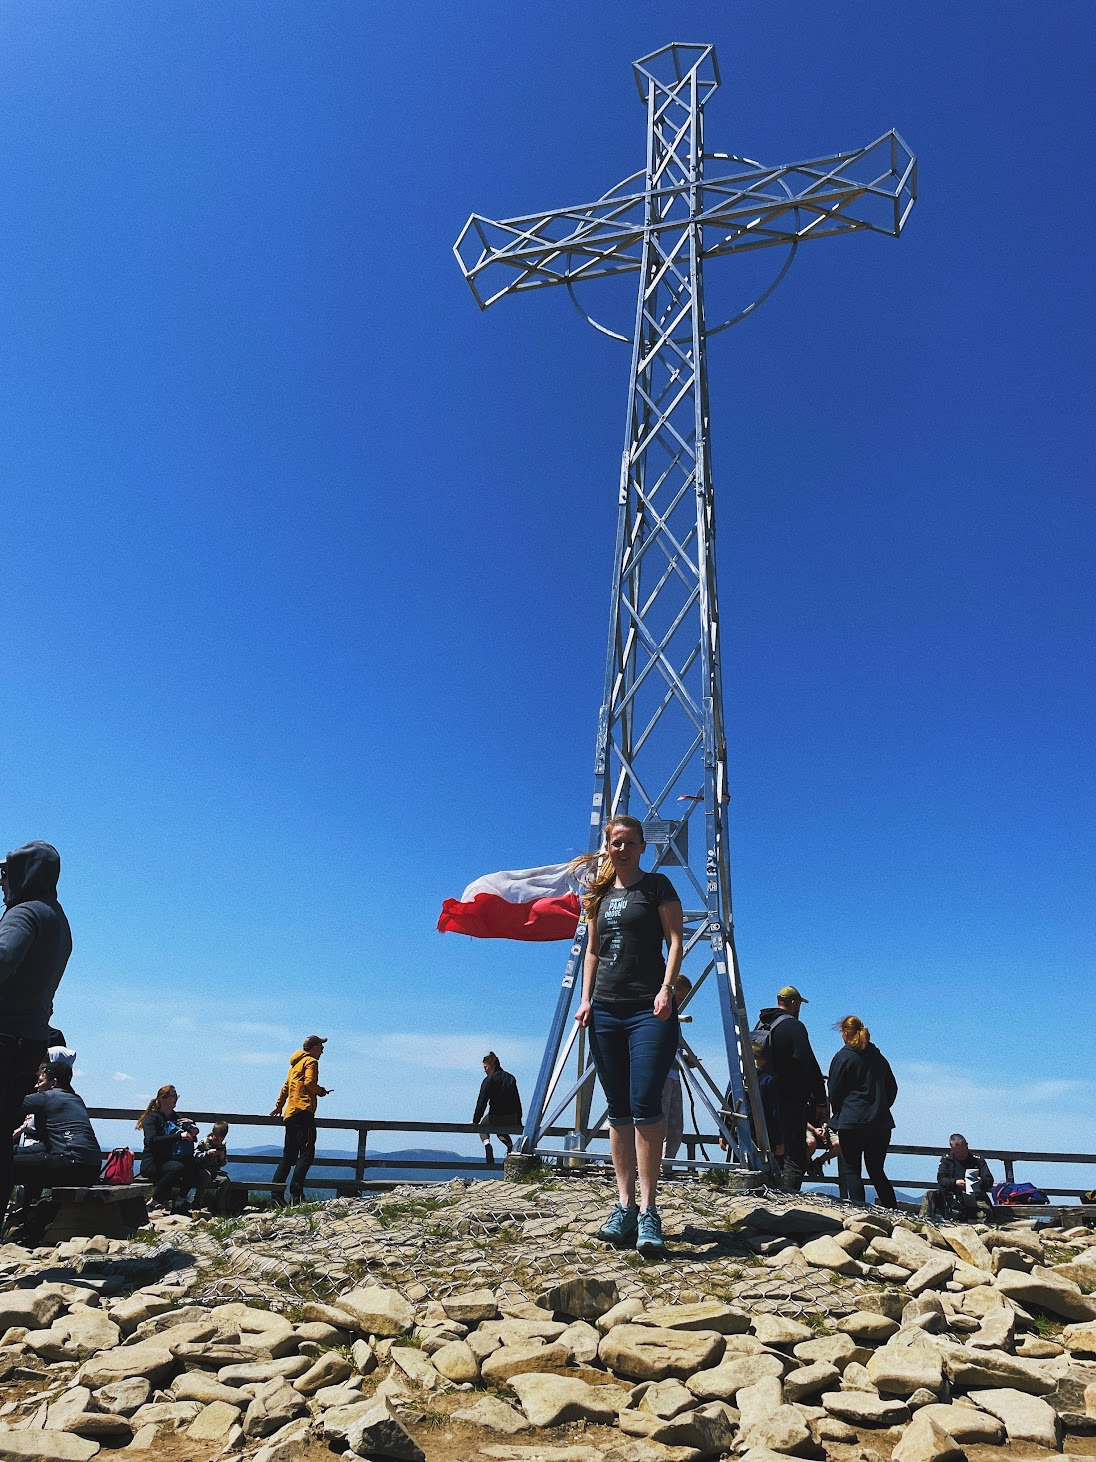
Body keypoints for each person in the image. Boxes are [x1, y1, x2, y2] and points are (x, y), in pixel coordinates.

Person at [573, 815, 683, 1258]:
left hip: (647, 1010)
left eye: (630, 843)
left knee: (645, 1105)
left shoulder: (657, 887)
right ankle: (623, 1206)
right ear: (608, 846)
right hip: (604, 1010)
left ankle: (650, 1210)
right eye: (616, 843)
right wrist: (585, 1000)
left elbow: (675, 940)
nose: (622, 849)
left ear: (641, 847)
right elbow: (593, 951)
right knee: (617, 1108)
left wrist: (665, 990)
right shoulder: (598, 897)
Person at [0, 842, 73, 1234]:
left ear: (23, 875)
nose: (1, 884)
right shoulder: (58, 920)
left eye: (5, 874)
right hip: (30, 1042)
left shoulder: (23, 913)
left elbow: (4, 957)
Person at [10, 1060, 100, 1242]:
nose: (36, 1085)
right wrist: (15, 1151)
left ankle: (23, 1223)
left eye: (41, 1080)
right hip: (90, 1169)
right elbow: (48, 1147)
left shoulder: (48, 1097)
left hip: (70, 1164)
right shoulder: (76, 1099)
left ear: (54, 1082)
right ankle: (29, 1225)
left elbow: (9, 1107)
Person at [755, 985, 827, 1192]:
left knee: (770, 1146)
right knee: (795, 1152)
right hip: (789, 1098)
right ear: (794, 1003)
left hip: (761, 1097)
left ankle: (768, 1190)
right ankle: (789, 1196)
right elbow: (808, 1064)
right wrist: (820, 1099)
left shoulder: (762, 1023)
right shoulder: (794, 1026)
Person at [827, 1015, 899, 1208]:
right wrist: (881, 1106)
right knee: (876, 1169)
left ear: (844, 1032)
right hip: (881, 1122)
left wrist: (840, 1113)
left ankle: (859, 1213)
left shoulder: (843, 1057)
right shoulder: (878, 1057)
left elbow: (834, 1091)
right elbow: (892, 1087)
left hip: (852, 1121)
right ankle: (893, 1210)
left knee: (852, 1169)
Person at [270, 1035, 331, 1205]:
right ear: (313, 1048)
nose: (323, 1050)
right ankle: (296, 1196)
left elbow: (285, 1087)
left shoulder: (294, 1065)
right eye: (321, 1046)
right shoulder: (311, 1062)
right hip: (304, 1112)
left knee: (288, 1157)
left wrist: (279, 1106)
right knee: (307, 1154)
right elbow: (309, 1083)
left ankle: (276, 1194)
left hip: (290, 1114)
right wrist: (320, 1091)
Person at [136, 1085, 199, 1210]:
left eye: (177, 1096)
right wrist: (179, 1136)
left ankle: (179, 1202)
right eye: (173, 1096)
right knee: (177, 1168)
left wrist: (191, 1127)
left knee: (194, 1164)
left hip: (170, 1159)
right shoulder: (153, 1118)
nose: (176, 1099)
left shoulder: (176, 1118)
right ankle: (153, 1202)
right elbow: (151, 1141)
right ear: (163, 1099)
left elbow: (192, 1139)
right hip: (153, 1162)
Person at [661, 975, 695, 1170]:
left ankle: (667, 1164)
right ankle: (656, 1165)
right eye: (681, 997)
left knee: (674, 1126)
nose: (683, 1001)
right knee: (660, 1123)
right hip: (662, 1074)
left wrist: (686, 1058)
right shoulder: (662, 1013)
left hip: (673, 1073)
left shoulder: (674, 1018)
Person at [473, 1053, 522, 1166]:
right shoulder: (511, 1078)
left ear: (491, 1065)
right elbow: (517, 1100)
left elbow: (482, 1102)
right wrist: (518, 1119)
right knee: (500, 1130)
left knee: (483, 1126)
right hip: (512, 1116)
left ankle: (487, 1145)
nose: (484, 1070)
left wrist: (475, 1121)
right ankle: (510, 1146)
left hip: (495, 1116)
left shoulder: (489, 1080)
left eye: (485, 1067)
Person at [930, 1133, 994, 1219]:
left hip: (975, 1197)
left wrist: (981, 1181)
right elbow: (941, 1179)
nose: (961, 1154)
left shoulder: (977, 1159)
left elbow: (989, 1179)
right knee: (930, 1195)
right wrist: (955, 1182)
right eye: (957, 1152)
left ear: (967, 1145)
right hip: (952, 1195)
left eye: (963, 1150)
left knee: (984, 1216)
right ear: (951, 1148)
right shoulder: (947, 1159)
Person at [193, 1121, 230, 1210]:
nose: (217, 1143)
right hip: (201, 1170)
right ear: (211, 1134)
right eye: (216, 1140)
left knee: (225, 1181)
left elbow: (224, 1163)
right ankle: (197, 1202)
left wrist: (222, 1157)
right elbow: (194, 1156)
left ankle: (218, 1204)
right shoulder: (203, 1142)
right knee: (206, 1176)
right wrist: (207, 1153)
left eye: (220, 1141)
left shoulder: (222, 1146)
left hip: (215, 1171)